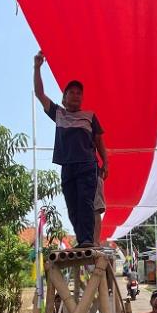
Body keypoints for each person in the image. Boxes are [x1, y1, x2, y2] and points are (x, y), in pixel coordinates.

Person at [34, 50, 108, 248]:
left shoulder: (90, 116)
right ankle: (82, 239)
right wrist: (37, 67)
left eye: (79, 93)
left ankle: (86, 240)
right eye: (71, 93)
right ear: (64, 97)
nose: (76, 96)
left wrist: (106, 163)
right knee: (73, 206)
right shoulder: (58, 113)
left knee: (85, 203)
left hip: (87, 164)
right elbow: (39, 94)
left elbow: (100, 142)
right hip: (67, 166)